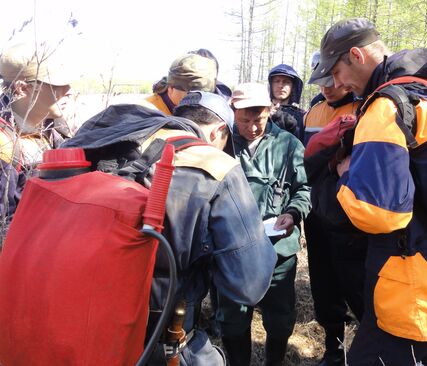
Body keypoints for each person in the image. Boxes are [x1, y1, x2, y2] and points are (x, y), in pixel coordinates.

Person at [309, 18, 427, 365]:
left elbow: (379, 212)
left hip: (409, 282)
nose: (337, 83)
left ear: (356, 55)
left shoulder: (386, 106)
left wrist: (343, 175)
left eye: (337, 72)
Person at [63, 91, 278, 365]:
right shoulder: (215, 164)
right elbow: (250, 285)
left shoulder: (113, 142)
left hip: (80, 322)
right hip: (160, 339)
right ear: (219, 132)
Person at [216, 82, 311, 366]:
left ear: (269, 111)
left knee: (280, 316)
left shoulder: (289, 144)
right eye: (244, 121)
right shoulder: (222, 143)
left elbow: (304, 189)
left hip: (277, 249)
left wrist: (293, 213)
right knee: (233, 318)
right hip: (232, 249)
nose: (252, 128)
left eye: (258, 120)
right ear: (233, 113)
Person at [303, 53, 366, 366]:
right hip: (317, 217)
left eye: (332, 79)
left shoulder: (364, 107)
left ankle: (369, 352)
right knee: (325, 288)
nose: (327, 87)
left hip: (351, 220)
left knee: (357, 288)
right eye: (321, 82)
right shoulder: (313, 111)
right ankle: (334, 351)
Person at [0, 41, 73, 234]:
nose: (68, 90)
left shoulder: (58, 130)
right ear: (22, 88)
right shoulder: (4, 143)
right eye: (57, 85)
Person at [145, 53, 216, 115]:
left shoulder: (208, 109)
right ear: (171, 88)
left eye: (204, 94)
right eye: (191, 94)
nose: (198, 100)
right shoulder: (146, 112)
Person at [268, 64, 306, 140]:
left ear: (293, 87)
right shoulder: (261, 111)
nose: (280, 85)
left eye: (286, 82)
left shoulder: (302, 116)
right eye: (276, 81)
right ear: (271, 85)